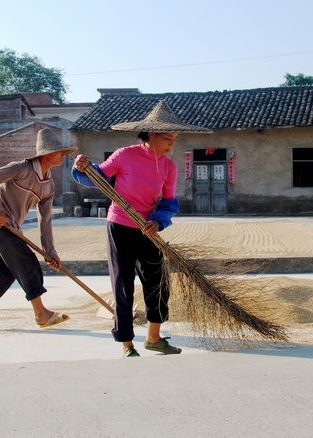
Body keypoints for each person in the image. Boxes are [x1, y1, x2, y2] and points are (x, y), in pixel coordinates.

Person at [72, 99, 211, 357]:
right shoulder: (125, 154)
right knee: (123, 284)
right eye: (168, 138)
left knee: (158, 283)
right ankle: (127, 343)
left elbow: (169, 202)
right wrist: (81, 167)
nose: (172, 144)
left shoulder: (169, 167)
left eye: (175, 138)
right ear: (151, 135)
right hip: (120, 226)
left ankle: (154, 338)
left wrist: (157, 221)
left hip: (148, 230)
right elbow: (96, 178)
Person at [0, 128, 77, 330]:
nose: (64, 155)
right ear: (47, 154)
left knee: (5, 273)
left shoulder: (49, 185)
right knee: (26, 260)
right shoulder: (21, 168)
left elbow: (45, 220)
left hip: (13, 228)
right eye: (60, 152)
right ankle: (41, 313)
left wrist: (50, 252)